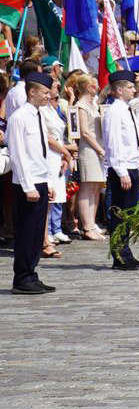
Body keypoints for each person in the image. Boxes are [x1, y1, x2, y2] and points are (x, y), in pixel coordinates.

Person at [7, 72, 60, 294]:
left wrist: (47, 181)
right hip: (26, 184)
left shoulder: (38, 115)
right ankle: (22, 278)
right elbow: (18, 154)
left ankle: (31, 272)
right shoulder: (19, 117)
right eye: (46, 92)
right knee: (27, 232)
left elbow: (41, 152)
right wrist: (28, 185)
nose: (49, 96)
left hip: (39, 180)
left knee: (38, 233)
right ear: (32, 92)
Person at [101, 70, 139, 270]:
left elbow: (134, 143)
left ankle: (126, 252)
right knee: (120, 214)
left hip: (131, 166)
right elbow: (113, 144)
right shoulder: (114, 111)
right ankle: (119, 256)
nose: (134, 90)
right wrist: (121, 171)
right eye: (130, 87)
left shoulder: (128, 109)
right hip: (121, 169)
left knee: (128, 214)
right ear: (119, 90)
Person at [68, 75, 107, 240]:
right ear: (89, 87)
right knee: (88, 187)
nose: (97, 87)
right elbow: (84, 132)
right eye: (95, 84)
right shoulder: (81, 106)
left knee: (96, 188)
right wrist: (99, 149)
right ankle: (87, 226)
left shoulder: (93, 104)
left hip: (97, 148)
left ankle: (92, 224)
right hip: (89, 149)